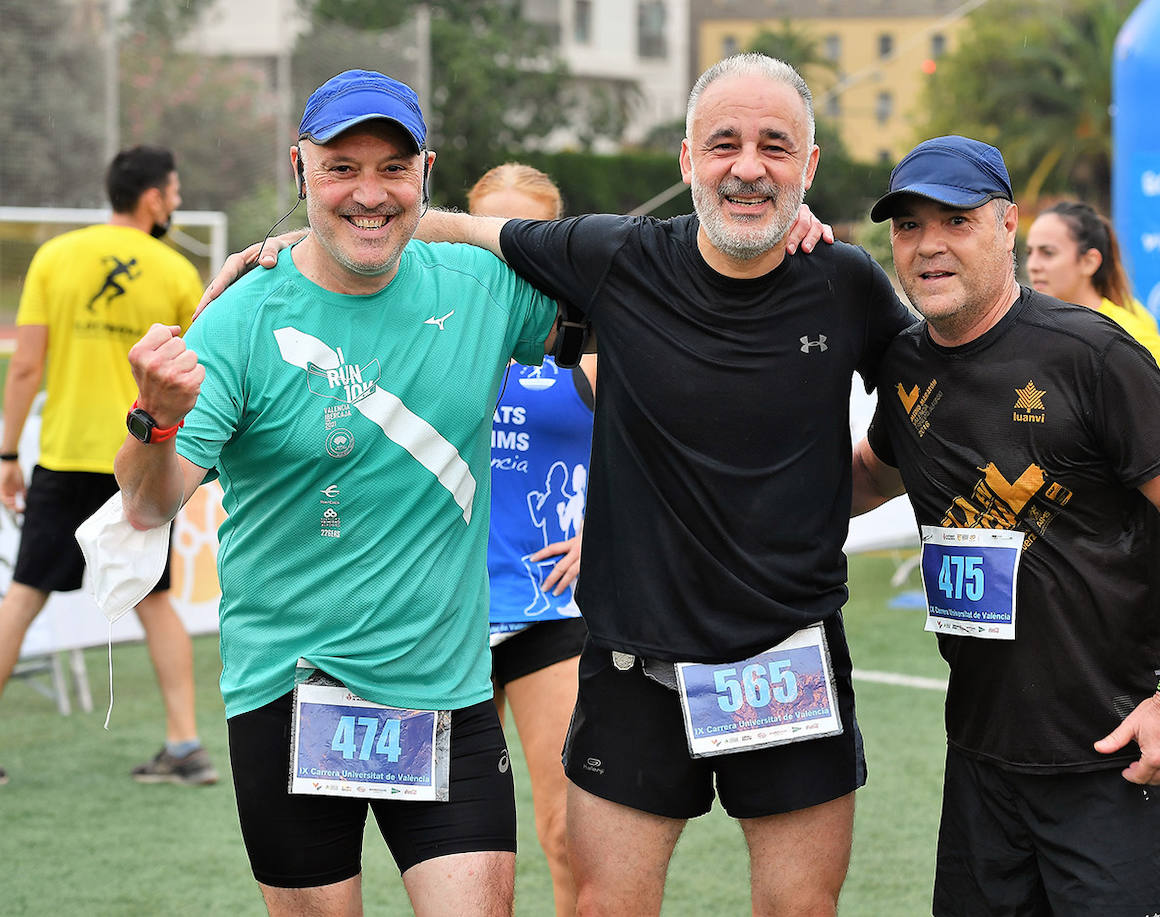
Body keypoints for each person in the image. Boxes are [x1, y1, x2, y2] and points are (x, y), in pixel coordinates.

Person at [208, 53, 913, 916]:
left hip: (787, 654)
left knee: (800, 908)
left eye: (776, 146)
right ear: (687, 158)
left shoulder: (846, 281)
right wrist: (307, 244)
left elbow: (926, 399)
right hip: (624, 657)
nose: (748, 165)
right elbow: (466, 231)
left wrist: (845, 489)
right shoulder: (615, 258)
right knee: (601, 903)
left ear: (808, 166)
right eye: (724, 142)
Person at [114, 70, 563, 915]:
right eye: (341, 167)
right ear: (300, 169)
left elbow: (631, 301)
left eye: (392, 168)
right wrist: (154, 420)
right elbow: (144, 505)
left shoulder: (479, 287)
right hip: (291, 696)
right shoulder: (242, 317)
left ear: (425, 173)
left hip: (445, 694)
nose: (368, 192)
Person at [851, 135, 1160, 916]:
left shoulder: (1091, 352)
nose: (929, 245)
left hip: (1107, 760)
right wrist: (733, 491)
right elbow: (872, 473)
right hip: (979, 758)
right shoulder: (906, 364)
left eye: (956, 220)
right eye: (908, 226)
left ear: (1007, 225)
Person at [0, 145, 216, 788]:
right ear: (152, 196)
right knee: (155, 601)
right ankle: (186, 745)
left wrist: (9, 451)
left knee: (24, 595)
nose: (176, 203)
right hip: (144, 457)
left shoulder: (54, 257)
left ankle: (183, 749)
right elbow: (195, 375)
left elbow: (27, 366)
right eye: (174, 191)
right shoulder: (177, 270)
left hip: (65, 457)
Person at [469, 163, 593, 917]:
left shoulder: (588, 333)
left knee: (567, 830)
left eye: (526, 235)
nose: (505, 249)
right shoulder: (435, 329)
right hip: (446, 613)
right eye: (488, 233)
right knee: (464, 845)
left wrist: (605, 530)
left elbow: (661, 439)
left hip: (551, 608)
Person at [1026, 200, 1160, 449]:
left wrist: (1159, 476)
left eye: (1048, 252)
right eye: (1029, 252)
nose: (1033, 265)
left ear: (1089, 262)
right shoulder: (1035, 320)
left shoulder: (1122, 329)